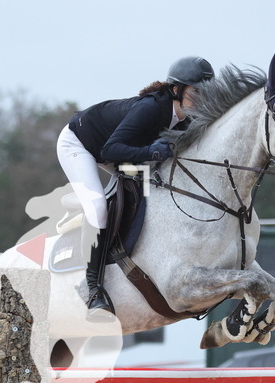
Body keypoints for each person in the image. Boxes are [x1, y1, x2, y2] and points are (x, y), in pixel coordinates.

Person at [57, 56, 215, 315]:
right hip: (80, 143)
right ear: (176, 90)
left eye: (206, 92)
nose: (203, 99)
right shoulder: (151, 108)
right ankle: (94, 288)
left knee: (153, 189)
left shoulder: (186, 120)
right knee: (98, 207)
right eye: (196, 91)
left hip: (119, 150)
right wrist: (152, 153)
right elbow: (111, 149)